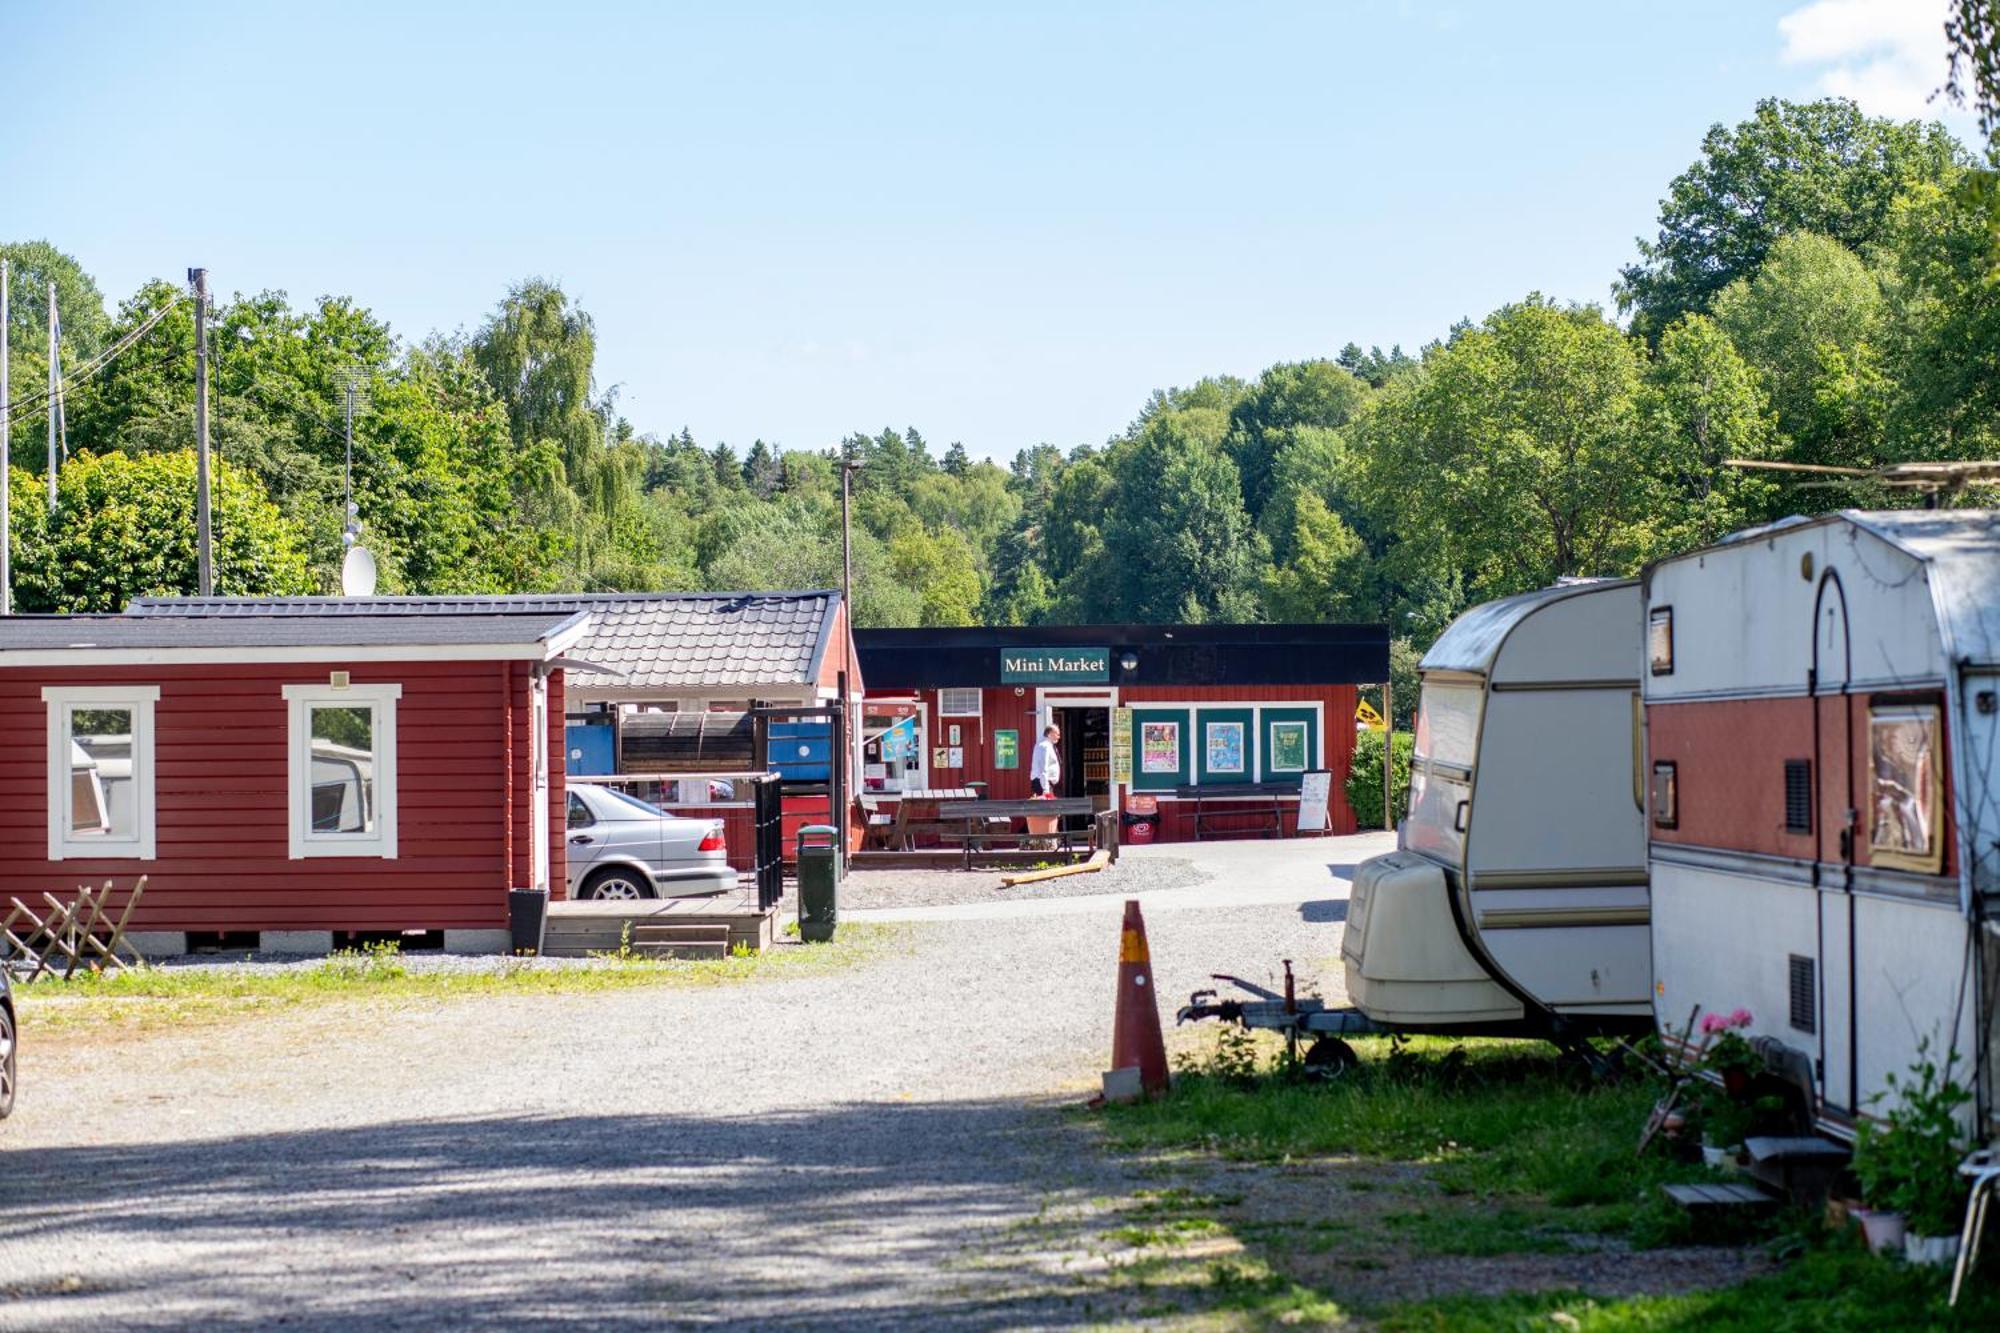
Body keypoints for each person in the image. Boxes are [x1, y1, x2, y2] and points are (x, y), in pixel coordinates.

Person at [1030, 723, 1062, 796]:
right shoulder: (1044, 746)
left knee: (1050, 807)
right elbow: (1042, 768)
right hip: (1042, 784)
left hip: (1044, 783)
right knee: (1047, 807)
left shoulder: (1048, 745)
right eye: (1057, 734)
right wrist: (1045, 789)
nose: (1059, 737)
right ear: (1050, 734)